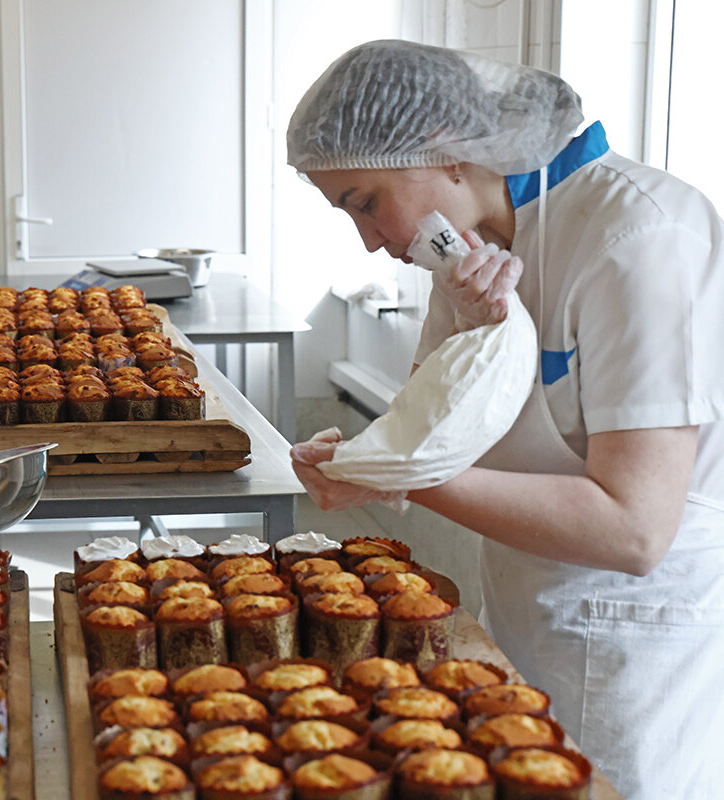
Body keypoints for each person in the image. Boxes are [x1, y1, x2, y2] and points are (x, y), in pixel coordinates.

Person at [286, 40, 724, 798]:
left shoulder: (639, 238)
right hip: (520, 612)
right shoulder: (466, 255)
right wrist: (369, 454)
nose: (369, 238)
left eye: (365, 201)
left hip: (631, 645)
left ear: (442, 150)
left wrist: (388, 474)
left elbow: (635, 528)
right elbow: (420, 435)